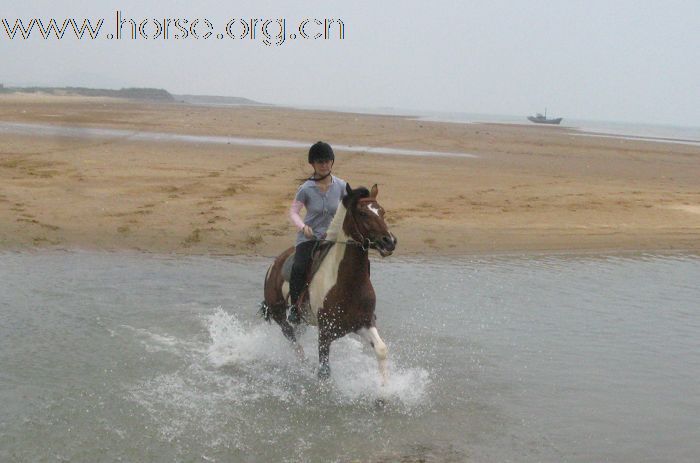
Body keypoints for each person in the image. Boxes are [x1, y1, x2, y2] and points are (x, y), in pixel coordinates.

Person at [287, 141, 347, 324]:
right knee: (299, 267)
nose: (324, 165)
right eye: (320, 162)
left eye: (327, 161)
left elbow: (348, 209)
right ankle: (295, 308)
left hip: (334, 238)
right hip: (311, 238)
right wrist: (303, 227)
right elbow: (293, 212)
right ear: (312, 164)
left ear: (332, 162)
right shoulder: (306, 189)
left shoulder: (342, 186)